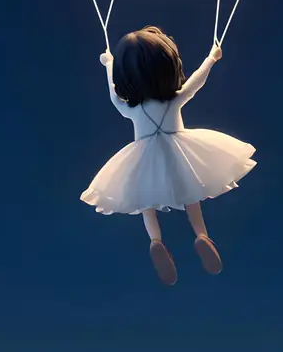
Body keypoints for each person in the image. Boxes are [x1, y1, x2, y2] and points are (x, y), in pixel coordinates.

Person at [80, 26, 257, 285]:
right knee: (191, 190)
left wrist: (108, 64)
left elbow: (113, 94)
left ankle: (155, 241)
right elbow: (196, 82)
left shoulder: (131, 109)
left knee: (144, 199)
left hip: (144, 156)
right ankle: (201, 235)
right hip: (178, 150)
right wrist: (212, 58)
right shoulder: (173, 100)